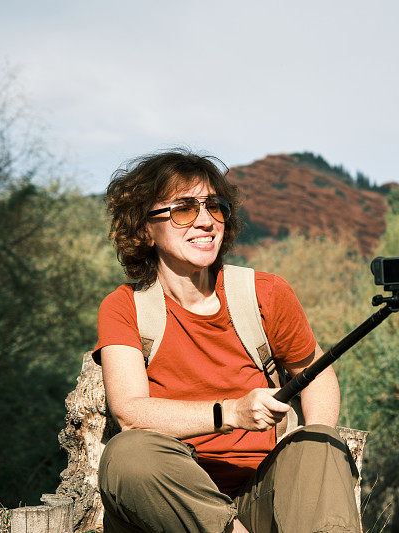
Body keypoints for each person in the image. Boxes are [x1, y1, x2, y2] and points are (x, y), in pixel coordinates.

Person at [93, 150, 361, 533]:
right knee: (128, 455)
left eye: (214, 207)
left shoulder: (265, 293)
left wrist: (310, 448)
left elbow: (315, 373)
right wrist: (232, 413)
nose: (205, 222)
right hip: (176, 507)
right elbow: (130, 413)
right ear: (144, 228)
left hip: (263, 495)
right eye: (183, 209)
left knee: (319, 442)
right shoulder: (123, 308)